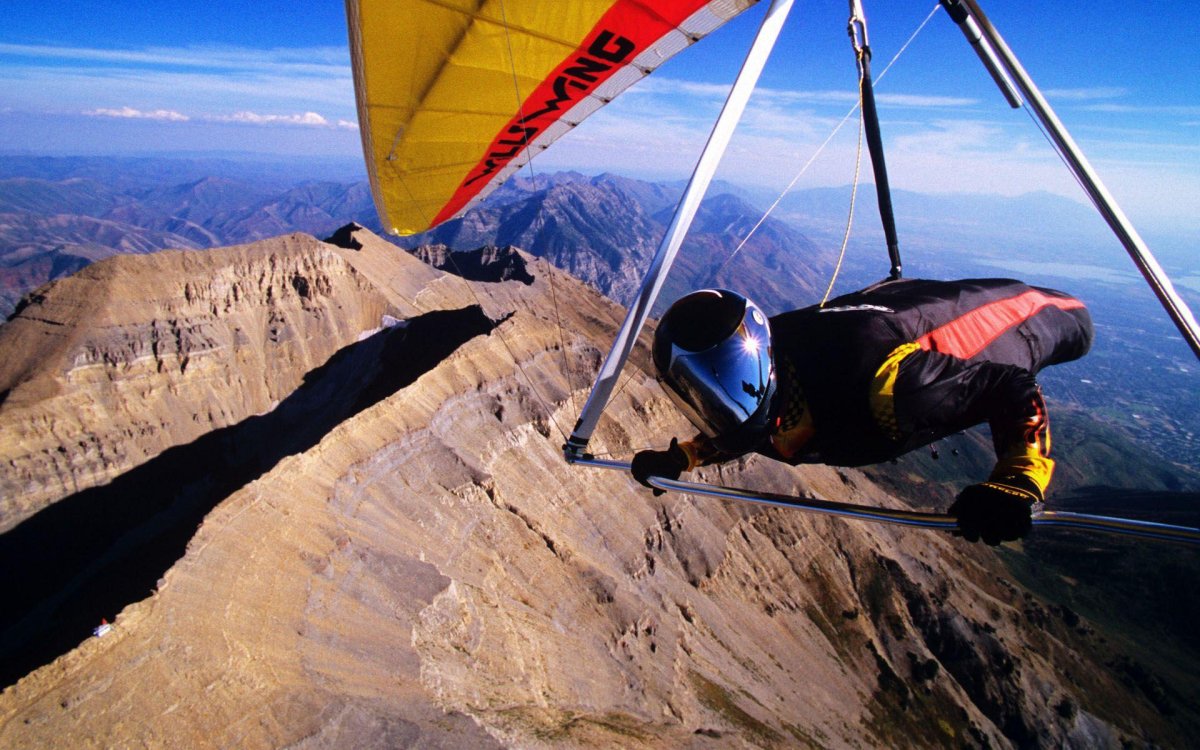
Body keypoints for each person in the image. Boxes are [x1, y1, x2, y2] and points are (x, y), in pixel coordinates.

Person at [631, 278, 1093, 545]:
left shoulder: (889, 390)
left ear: (764, 369)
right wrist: (685, 458)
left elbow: (1009, 384)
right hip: (886, 315)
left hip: (1010, 325)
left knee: (1075, 326)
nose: (717, 407)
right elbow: (740, 418)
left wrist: (1018, 480)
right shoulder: (769, 394)